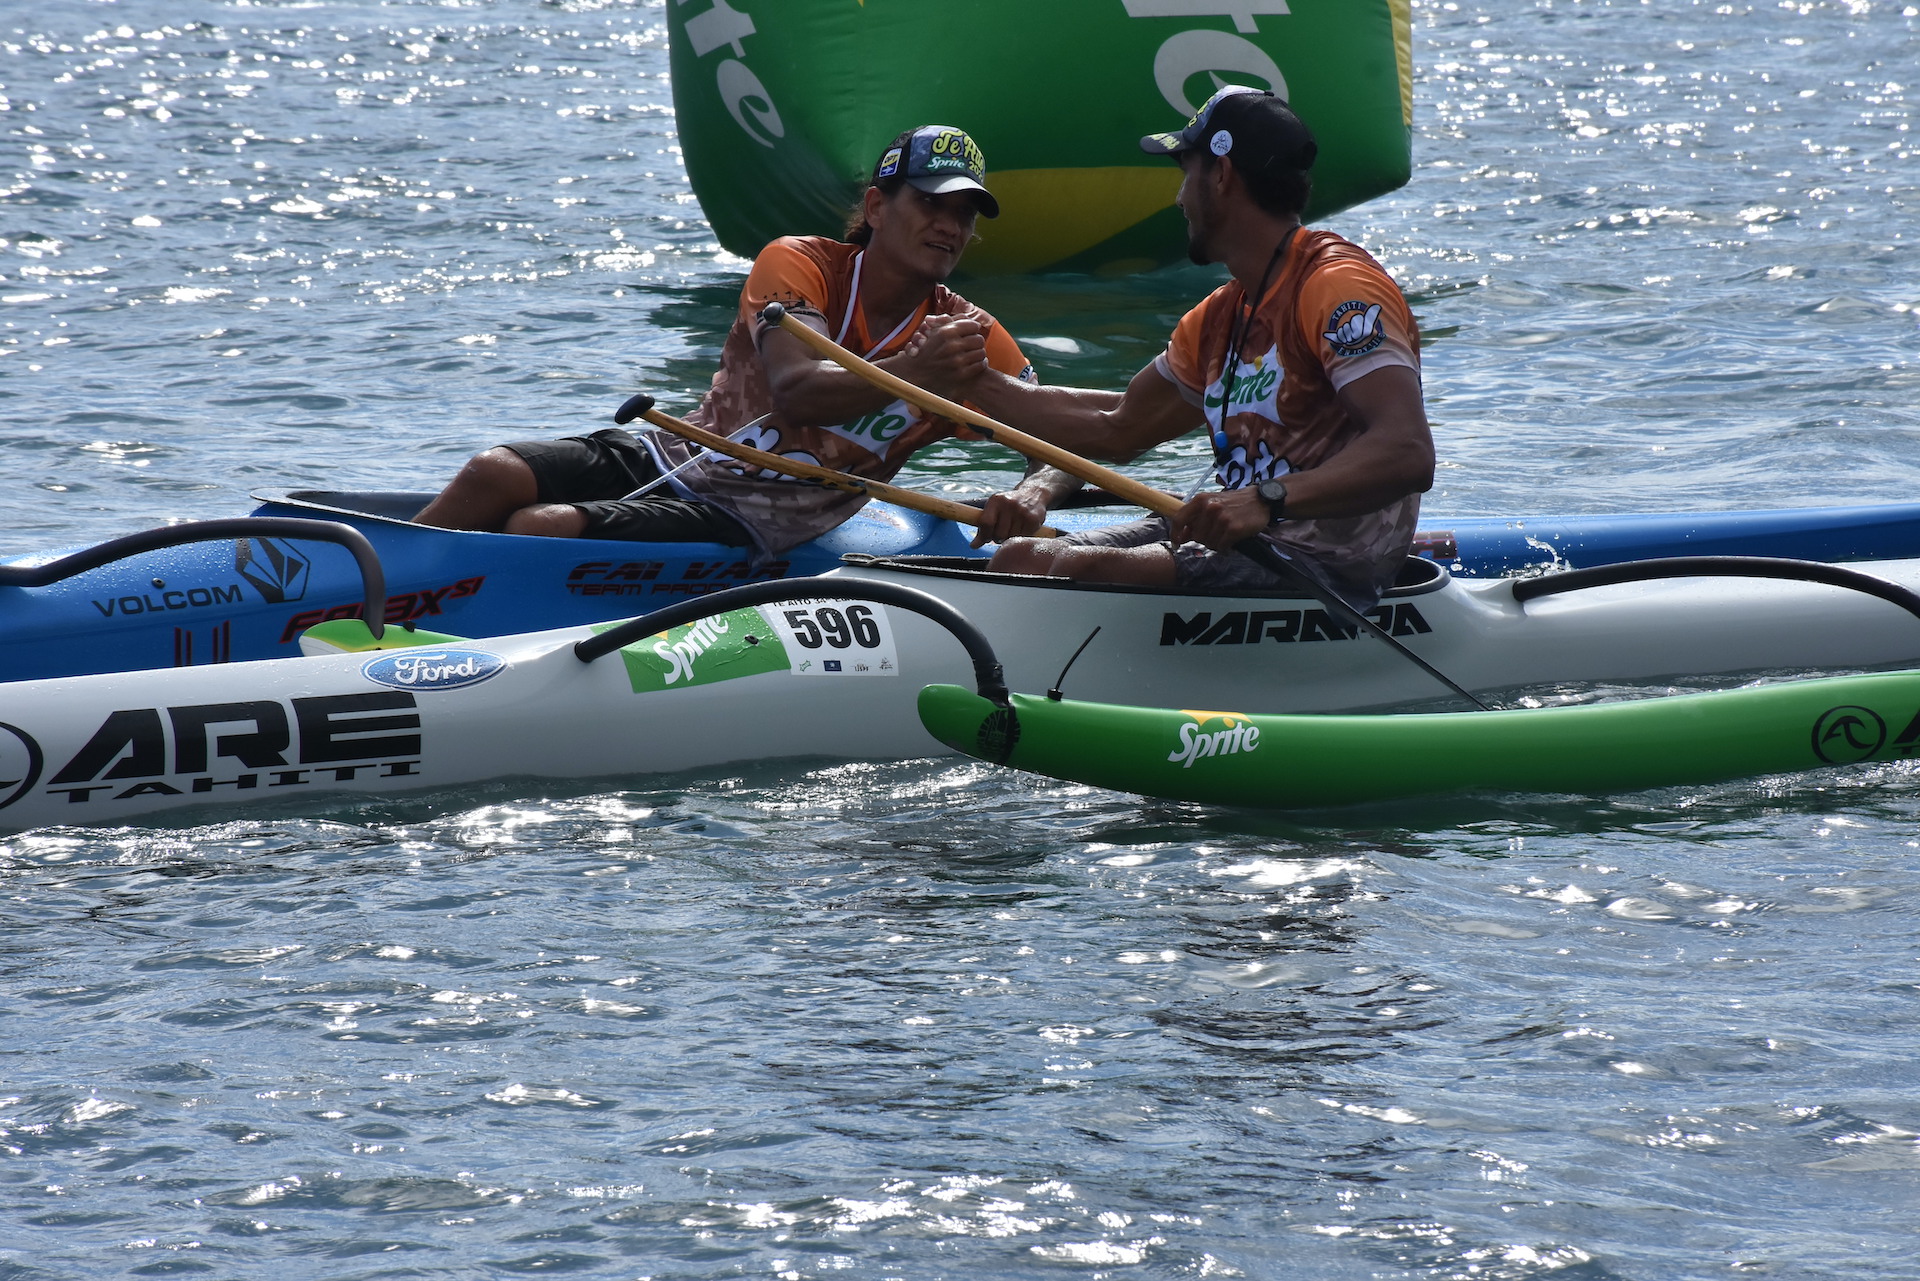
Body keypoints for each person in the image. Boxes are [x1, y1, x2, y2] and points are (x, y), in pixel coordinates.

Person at [414, 125, 1052, 556]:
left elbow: (1056, 440)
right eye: (931, 204)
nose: (949, 226)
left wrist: (1032, 493)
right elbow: (798, 391)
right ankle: (384, 593)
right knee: (494, 472)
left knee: (540, 527)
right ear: (878, 208)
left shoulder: (969, 334)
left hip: (765, 515)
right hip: (680, 457)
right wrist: (918, 370)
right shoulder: (800, 264)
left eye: (964, 214)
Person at [968, 86, 1435, 609]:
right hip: (1244, 537)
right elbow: (1119, 427)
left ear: (1221, 174)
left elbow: (1407, 452)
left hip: (1327, 562)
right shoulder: (1220, 315)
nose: (1179, 199)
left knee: (1071, 569)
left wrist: (1266, 499)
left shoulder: (1337, 287)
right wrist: (974, 384)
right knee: (1021, 557)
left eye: (1185, 173)